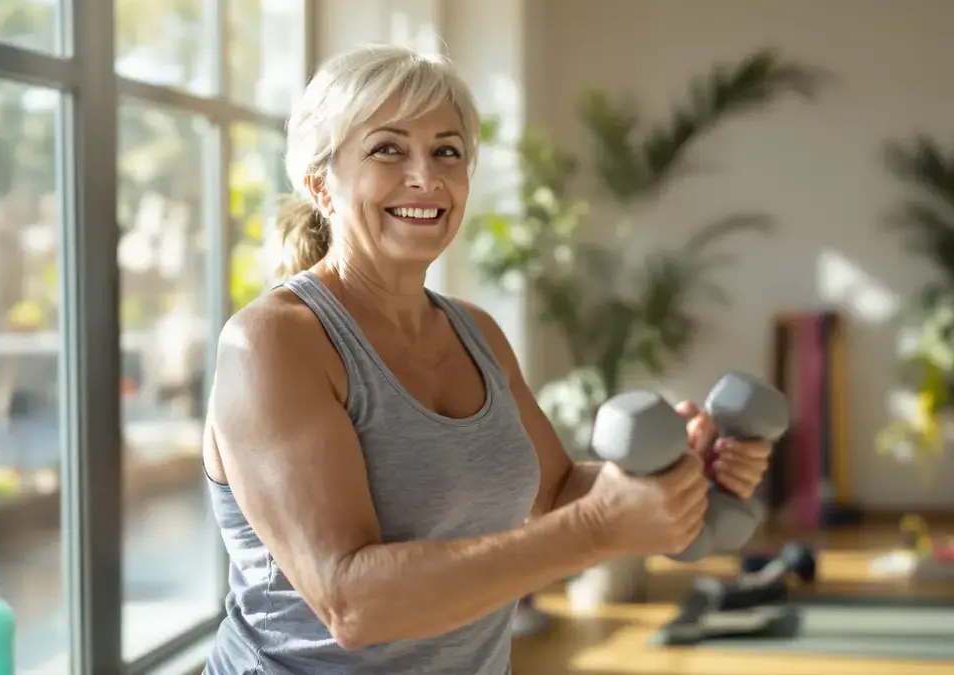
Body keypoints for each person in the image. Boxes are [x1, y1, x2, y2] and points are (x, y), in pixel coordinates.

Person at [200, 44, 772, 674]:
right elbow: (350, 602)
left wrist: (670, 478)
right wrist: (601, 528)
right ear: (320, 184)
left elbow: (554, 492)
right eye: (387, 149)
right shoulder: (272, 343)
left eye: (447, 150)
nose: (427, 177)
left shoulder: (475, 332)